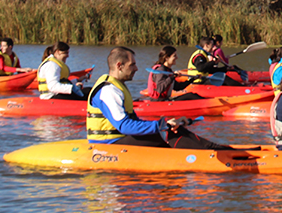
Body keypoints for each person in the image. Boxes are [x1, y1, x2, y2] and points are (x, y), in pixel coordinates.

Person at [87, 46, 231, 149]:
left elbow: (134, 122)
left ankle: (214, 148)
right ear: (119, 65)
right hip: (109, 145)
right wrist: (162, 126)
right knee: (167, 132)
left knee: (170, 130)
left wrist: (166, 123)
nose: (136, 69)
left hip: (120, 139)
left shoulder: (118, 87)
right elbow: (125, 126)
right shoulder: (109, 90)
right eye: (132, 65)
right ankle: (217, 151)